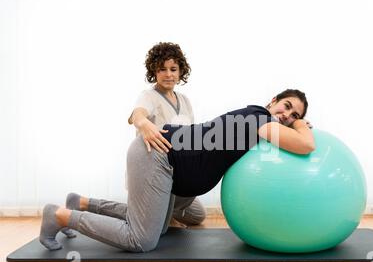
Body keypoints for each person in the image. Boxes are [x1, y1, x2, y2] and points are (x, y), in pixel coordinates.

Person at [39, 89, 315, 252]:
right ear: (273, 101)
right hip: (158, 154)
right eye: (287, 107)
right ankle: (61, 216)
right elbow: (305, 146)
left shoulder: (257, 119)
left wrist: (295, 124)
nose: (287, 116)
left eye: (294, 116)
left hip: (168, 165)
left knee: (157, 227)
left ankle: (83, 202)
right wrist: (302, 125)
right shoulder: (261, 118)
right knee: (142, 239)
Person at [59, 42, 206, 239]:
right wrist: (143, 124)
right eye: (162, 69)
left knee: (197, 215)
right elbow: (138, 115)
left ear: (181, 71)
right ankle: (85, 204)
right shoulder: (149, 96)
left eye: (173, 69)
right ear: (154, 71)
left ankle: (159, 213)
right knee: (159, 227)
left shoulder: (184, 100)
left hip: (175, 172)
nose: (168, 74)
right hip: (155, 172)